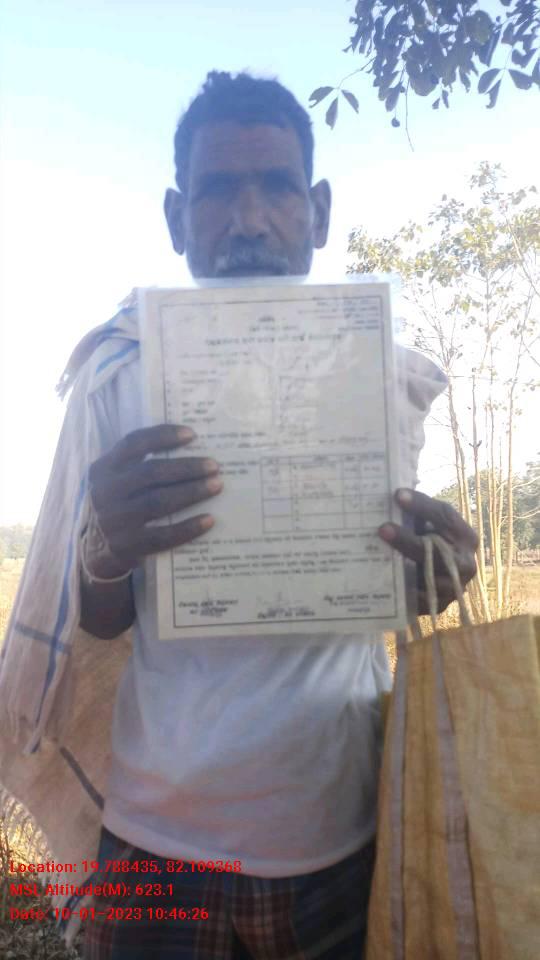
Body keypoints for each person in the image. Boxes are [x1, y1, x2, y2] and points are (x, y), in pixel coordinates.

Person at [0, 71, 478, 959]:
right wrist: (103, 551)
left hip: (342, 830)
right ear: (177, 218)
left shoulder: (385, 377)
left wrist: (438, 573)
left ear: (318, 211)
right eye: (218, 191)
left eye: (277, 188)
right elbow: (99, 619)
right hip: (157, 837)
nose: (248, 220)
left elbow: (390, 583)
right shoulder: (118, 375)